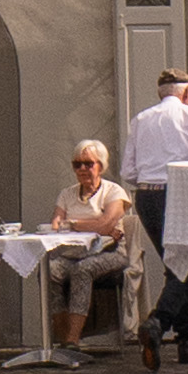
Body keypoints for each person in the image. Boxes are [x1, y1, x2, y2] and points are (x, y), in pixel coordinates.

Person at [121, 64, 188, 367]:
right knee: (182, 266)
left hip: (147, 197)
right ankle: (157, 324)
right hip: (181, 193)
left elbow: (128, 172)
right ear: (186, 93)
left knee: (175, 265)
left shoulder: (141, 119)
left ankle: (187, 340)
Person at [43, 139, 147, 362]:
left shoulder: (113, 192)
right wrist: (94, 224)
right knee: (48, 271)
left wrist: (75, 224)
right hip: (72, 253)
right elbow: (55, 225)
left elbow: (107, 224)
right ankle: (62, 341)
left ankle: (72, 341)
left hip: (110, 254)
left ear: (101, 165)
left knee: (83, 270)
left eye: (88, 164)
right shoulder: (67, 194)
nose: (82, 169)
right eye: (77, 164)